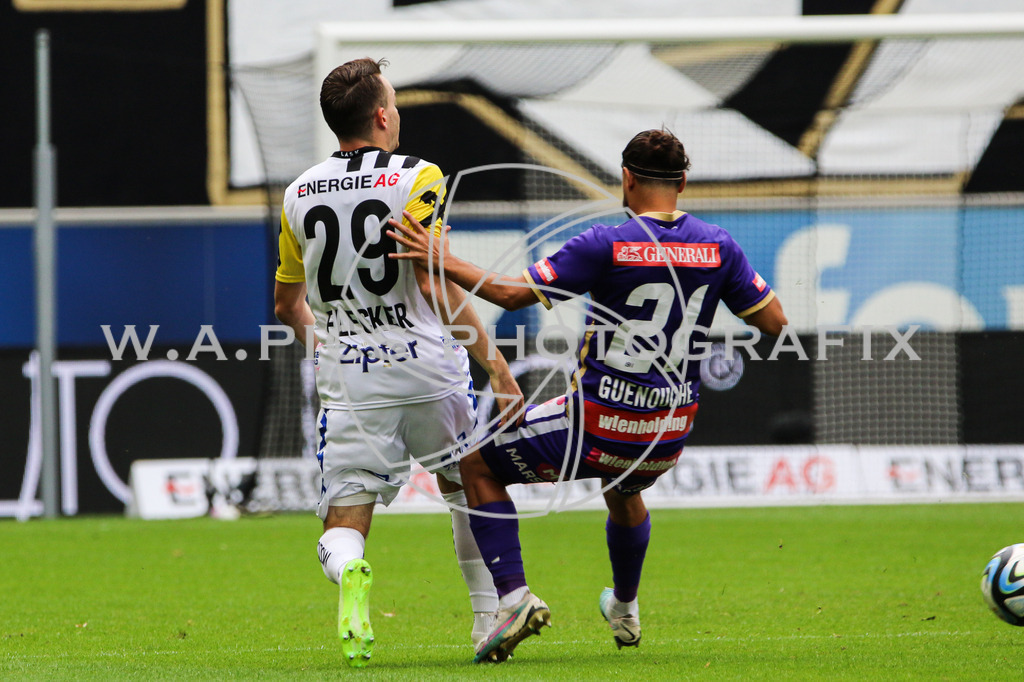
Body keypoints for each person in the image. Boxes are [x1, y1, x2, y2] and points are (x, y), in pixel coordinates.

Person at [388, 128, 787, 663]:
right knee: (623, 490)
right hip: (668, 434)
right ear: (684, 183)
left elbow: (509, 294)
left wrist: (443, 257)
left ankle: (513, 599)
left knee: (475, 465)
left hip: (599, 424)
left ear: (625, 179)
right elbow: (774, 321)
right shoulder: (718, 245)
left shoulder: (606, 243)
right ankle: (624, 608)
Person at [273, 57, 523, 668]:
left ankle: (351, 566)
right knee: (469, 486)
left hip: (352, 381)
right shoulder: (420, 176)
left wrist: (330, 345)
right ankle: (487, 618)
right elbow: (434, 284)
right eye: (396, 102)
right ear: (382, 115)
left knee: (344, 521)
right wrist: (494, 365)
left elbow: (286, 304)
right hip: (427, 368)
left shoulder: (297, 194)